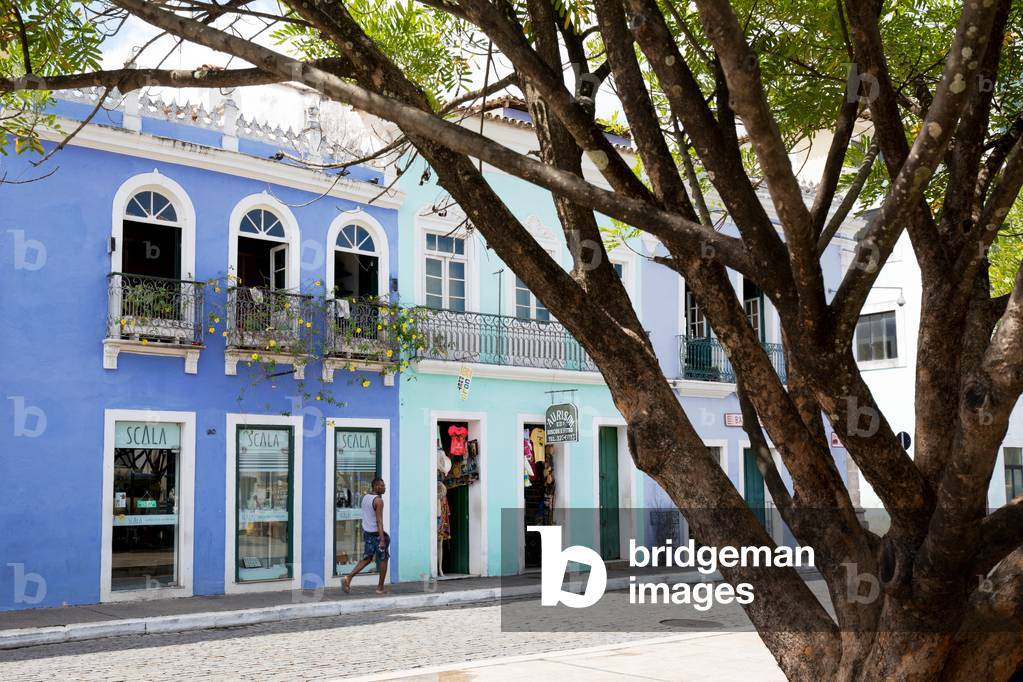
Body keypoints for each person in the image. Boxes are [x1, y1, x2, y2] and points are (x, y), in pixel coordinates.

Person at [342, 477, 389, 594]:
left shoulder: (365, 498)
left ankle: (348, 578)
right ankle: (380, 588)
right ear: (377, 486)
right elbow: (379, 521)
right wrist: (382, 539)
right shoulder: (378, 501)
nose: (385, 487)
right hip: (377, 535)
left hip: (367, 534)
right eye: (383, 486)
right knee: (384, 559)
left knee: (367, 558)